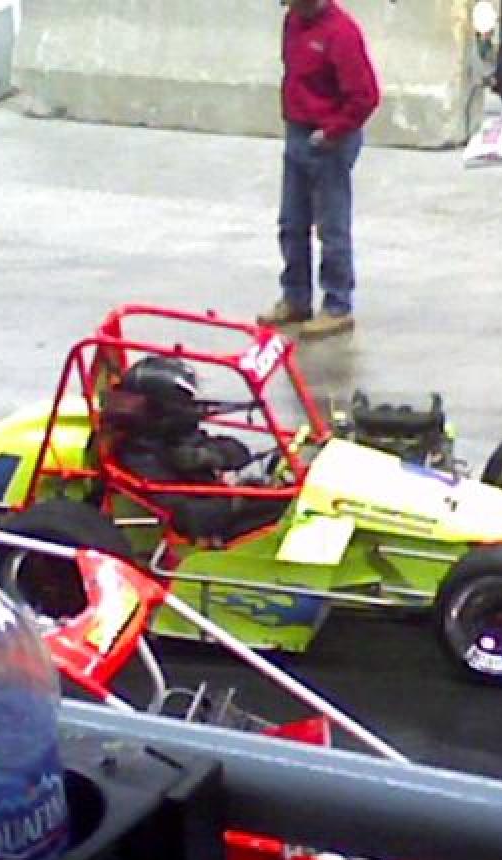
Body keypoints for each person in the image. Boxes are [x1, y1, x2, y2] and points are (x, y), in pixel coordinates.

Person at [258, 0, 380, 341]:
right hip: (298, 131)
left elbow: (365, 96)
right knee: (291, 223)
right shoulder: (293, 22)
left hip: (330, 140)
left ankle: (338, 305)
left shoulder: (342, 33)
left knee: (332, 227)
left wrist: (332, 132)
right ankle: (296, 297)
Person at [103, 356, 288, 541]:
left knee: (282, 495)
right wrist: (237, 500)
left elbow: (238, 451)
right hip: (208, 531)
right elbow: (186, 517)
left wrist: (208, 455)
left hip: (219, 501)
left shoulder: (173, 436)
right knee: (282, 505)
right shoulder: (141, 457)